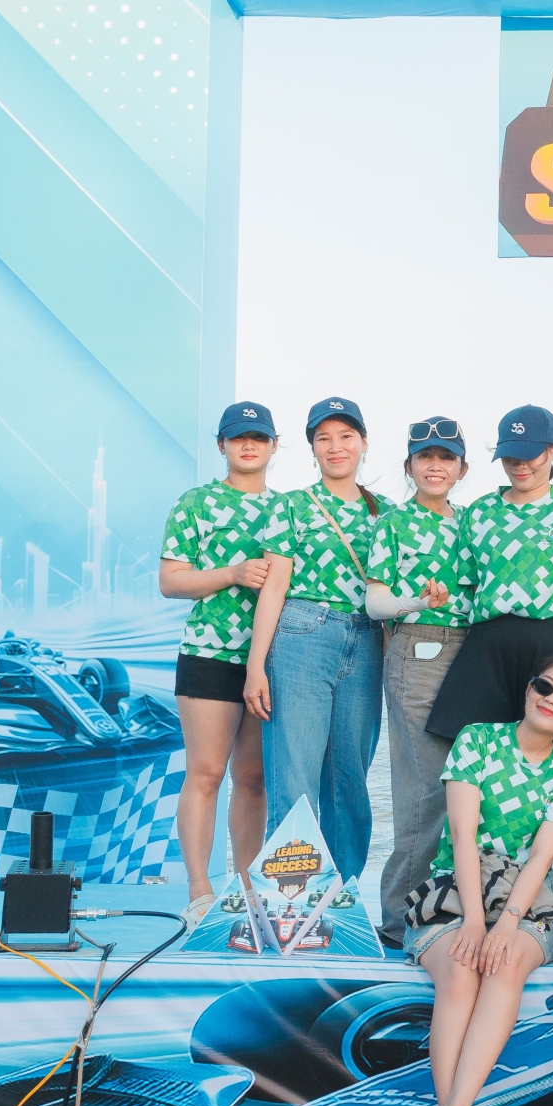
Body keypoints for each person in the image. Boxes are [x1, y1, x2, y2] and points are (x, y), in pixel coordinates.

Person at [392, 652, 553, 1106]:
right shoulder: (478, 740)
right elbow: (462, 835)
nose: (551, 700)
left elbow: (541, 858)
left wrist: (506, 923)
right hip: (455, 894)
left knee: (502, 968)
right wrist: (477, 922)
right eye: (545, 686)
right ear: (529, 688)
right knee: (461, 970)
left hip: (526, 905)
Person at [155, 401, 289, 927]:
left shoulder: (289, 509)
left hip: (269, 659)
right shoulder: (196, 503)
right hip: (209, 653)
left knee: (253, 778)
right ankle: (199, 892)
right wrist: (232, 573)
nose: (248, 445)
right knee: (206, 773)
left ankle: (249, 891)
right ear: (221, 445)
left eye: (258, 437)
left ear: (274, 445)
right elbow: (171, 581)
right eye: (237, 437)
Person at [246, 396, 385, 892]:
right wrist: (256, 666)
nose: (335, 446)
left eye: (345, 436)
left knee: (350, 780)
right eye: (323, 438)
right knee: (295, 776)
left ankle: (342, 897)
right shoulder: (292, 505)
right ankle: (290, 899)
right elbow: (274, 587)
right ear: (312, 448)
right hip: (303, 633)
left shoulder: (386, 513)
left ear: (363, 443)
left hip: (368, 641)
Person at [425, 405, 553, 745]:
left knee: (549, 749)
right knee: (474, 745)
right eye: (511, 456)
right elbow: (469, 585)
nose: (520, 465)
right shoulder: (480, 511)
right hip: (488, 644)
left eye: (530, 455)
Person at [366, 417, 472, 950]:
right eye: (425, 457)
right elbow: (374, 602)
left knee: (472, 791)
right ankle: (398, 921)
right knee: (425, 793)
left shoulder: (475, 522)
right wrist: (417, 601)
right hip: (420, 648)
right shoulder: (393, 523)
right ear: (409, 466)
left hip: (475, 655)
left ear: (462, 468)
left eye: (446, 457)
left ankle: (461, 907)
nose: (435, 466)